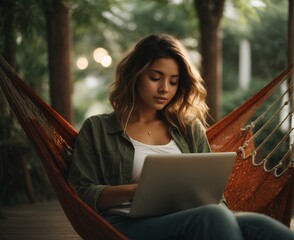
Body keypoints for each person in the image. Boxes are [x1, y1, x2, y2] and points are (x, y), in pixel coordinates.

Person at [68, 33, 294, 240]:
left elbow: (212, 192)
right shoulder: (97, 129)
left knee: (265, 228)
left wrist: (223, 214)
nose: (165, 88)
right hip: (125, 223)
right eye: (155, 78)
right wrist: (136, 191)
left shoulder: (188, 129)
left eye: (173, 81)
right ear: (135, 76)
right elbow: (80, 193)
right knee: (212, 217)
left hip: (193, 215)